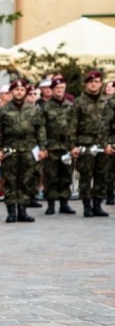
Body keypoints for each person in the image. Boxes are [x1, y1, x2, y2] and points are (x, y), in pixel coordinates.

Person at [0, 79, 47, 223]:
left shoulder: (34, 109)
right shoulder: (3, 110)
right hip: (10, 151)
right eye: (16, 90)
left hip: (28, 150)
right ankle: (11, 212)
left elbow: (40, 129)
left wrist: (42, 147)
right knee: (10, 182)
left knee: (26, 181)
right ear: (11, 92)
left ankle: (23, 211)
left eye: (22, 90)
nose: (19, 92)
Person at [69, 71, 110, 217]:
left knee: (101, 175)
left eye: (97, 81)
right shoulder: (79, 102)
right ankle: (87, 205)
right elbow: (72, 126)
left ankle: (98, 204)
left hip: (103, 144)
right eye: (91, 82)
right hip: (85, 143)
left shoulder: (106, 102)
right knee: (85, 175)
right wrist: (72, 145)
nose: (94, 84)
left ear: (101, 84)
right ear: (86, 84)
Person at [41, 76, 76, 215]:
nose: (59, 91)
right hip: (52, 146)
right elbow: (42, 127)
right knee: (51, 175)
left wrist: (73, 145)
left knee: (66, 174)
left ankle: (64, 203)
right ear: (52, 89)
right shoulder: (46, 107)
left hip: (67, 146)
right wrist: (44, 146)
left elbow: (74, 126)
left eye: (62, 88)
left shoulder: (70, 106)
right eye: (57, 88)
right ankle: (51, 204)